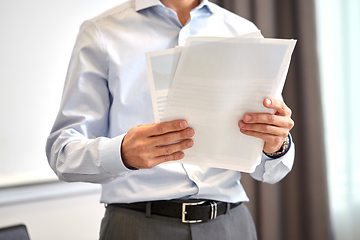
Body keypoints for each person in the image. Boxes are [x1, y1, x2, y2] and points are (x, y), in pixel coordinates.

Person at [46, 0, 295, 239]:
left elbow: (271, 171)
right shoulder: (101, 32)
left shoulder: (243, 31)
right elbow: (62, 153)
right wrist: (122, 153)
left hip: (230, 225)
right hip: (136, 228)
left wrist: (276, 145)